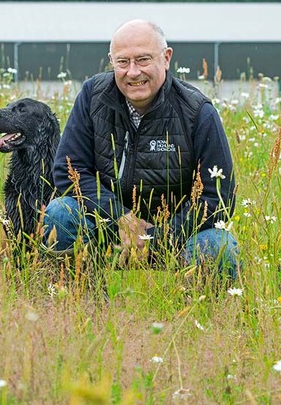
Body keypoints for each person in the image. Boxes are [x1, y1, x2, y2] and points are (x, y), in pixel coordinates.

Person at [43, 19, 239, 277]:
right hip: (110, 227)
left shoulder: (197, 111)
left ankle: (194, 311)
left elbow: (217, 197)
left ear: (166, 58)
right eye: (123, 62)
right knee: (61, 212)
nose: (133, 72)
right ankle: (79, 295)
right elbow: (70, 171)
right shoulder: (92, 96)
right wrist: (122, 218)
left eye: (143, 60)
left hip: (175, 236)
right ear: (112, 61)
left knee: (217, 246)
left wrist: (154, 238)